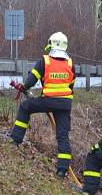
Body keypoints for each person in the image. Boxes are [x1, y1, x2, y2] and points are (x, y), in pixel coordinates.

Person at [8, 32, 74, 178]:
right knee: (62, 136)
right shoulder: (70, 63)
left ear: (52, 45)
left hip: (48, 100)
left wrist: (24, 88)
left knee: (25, 107)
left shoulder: (45, 61)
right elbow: (72, 84)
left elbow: (31, 80)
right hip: (65, 104)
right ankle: (62, 169)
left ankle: (16, 138)